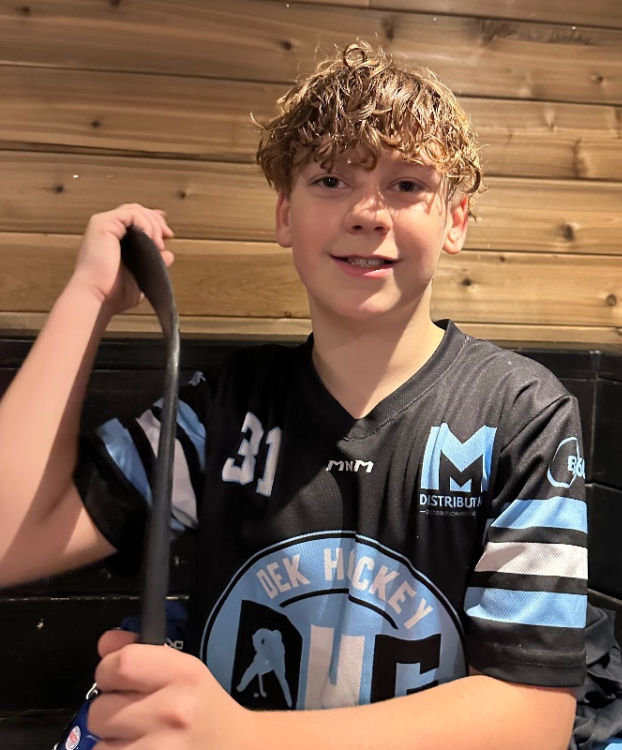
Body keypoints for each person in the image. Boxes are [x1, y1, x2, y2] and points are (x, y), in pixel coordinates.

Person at [0, 41, 588, 748]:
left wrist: (240, 736)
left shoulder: (521, 413)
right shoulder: (224, 410)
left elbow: (535, 718)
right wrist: (88, 296)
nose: (368, 212)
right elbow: (11, 541)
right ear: (285, 215)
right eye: (331, 180)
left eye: (406, 184)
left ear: (455, 221)